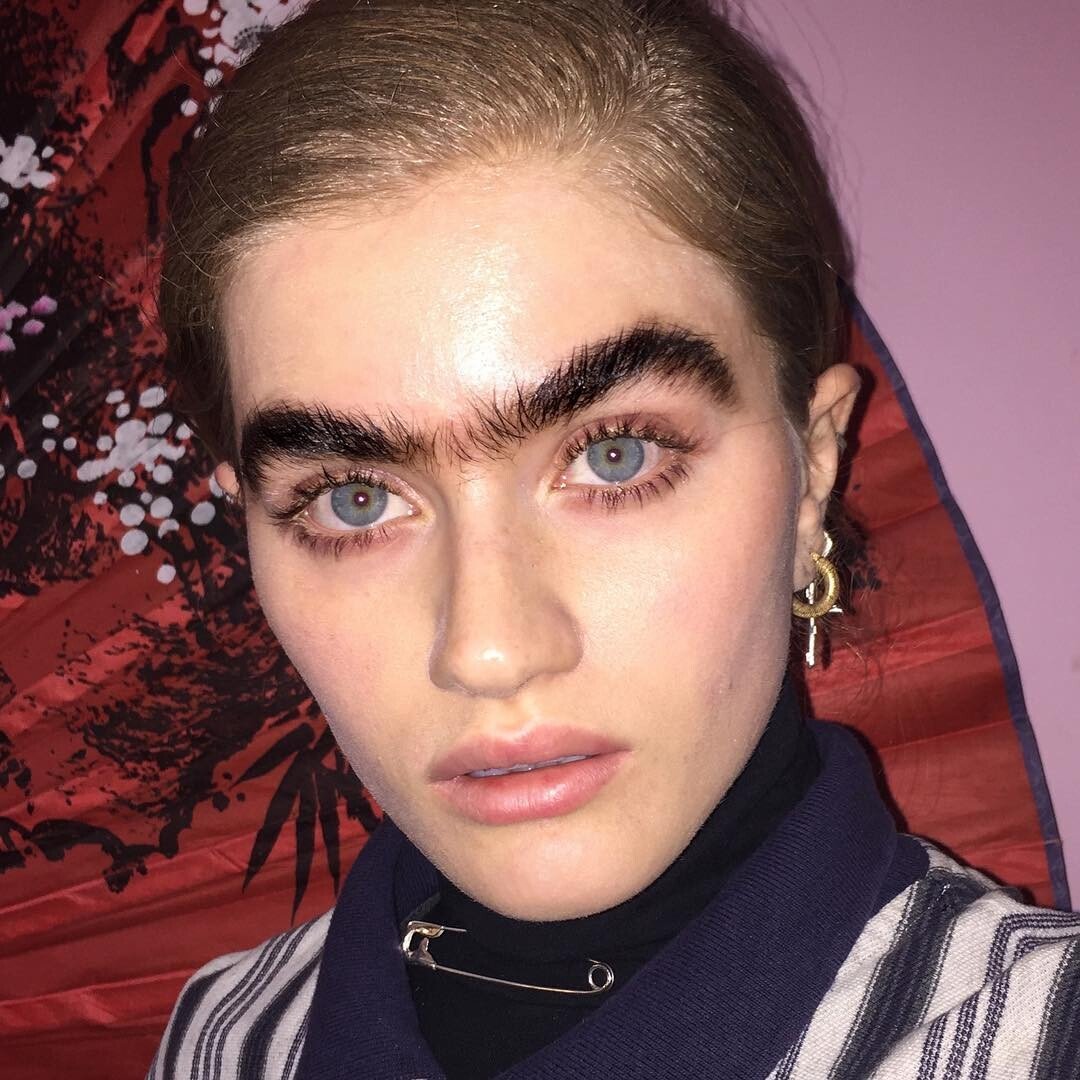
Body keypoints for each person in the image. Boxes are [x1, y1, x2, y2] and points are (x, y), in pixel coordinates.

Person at [147, 1, 1080, 1077]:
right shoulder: (223, 1036)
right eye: (354, 499)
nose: (490, 650)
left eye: (614, 457)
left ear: (813, 469)